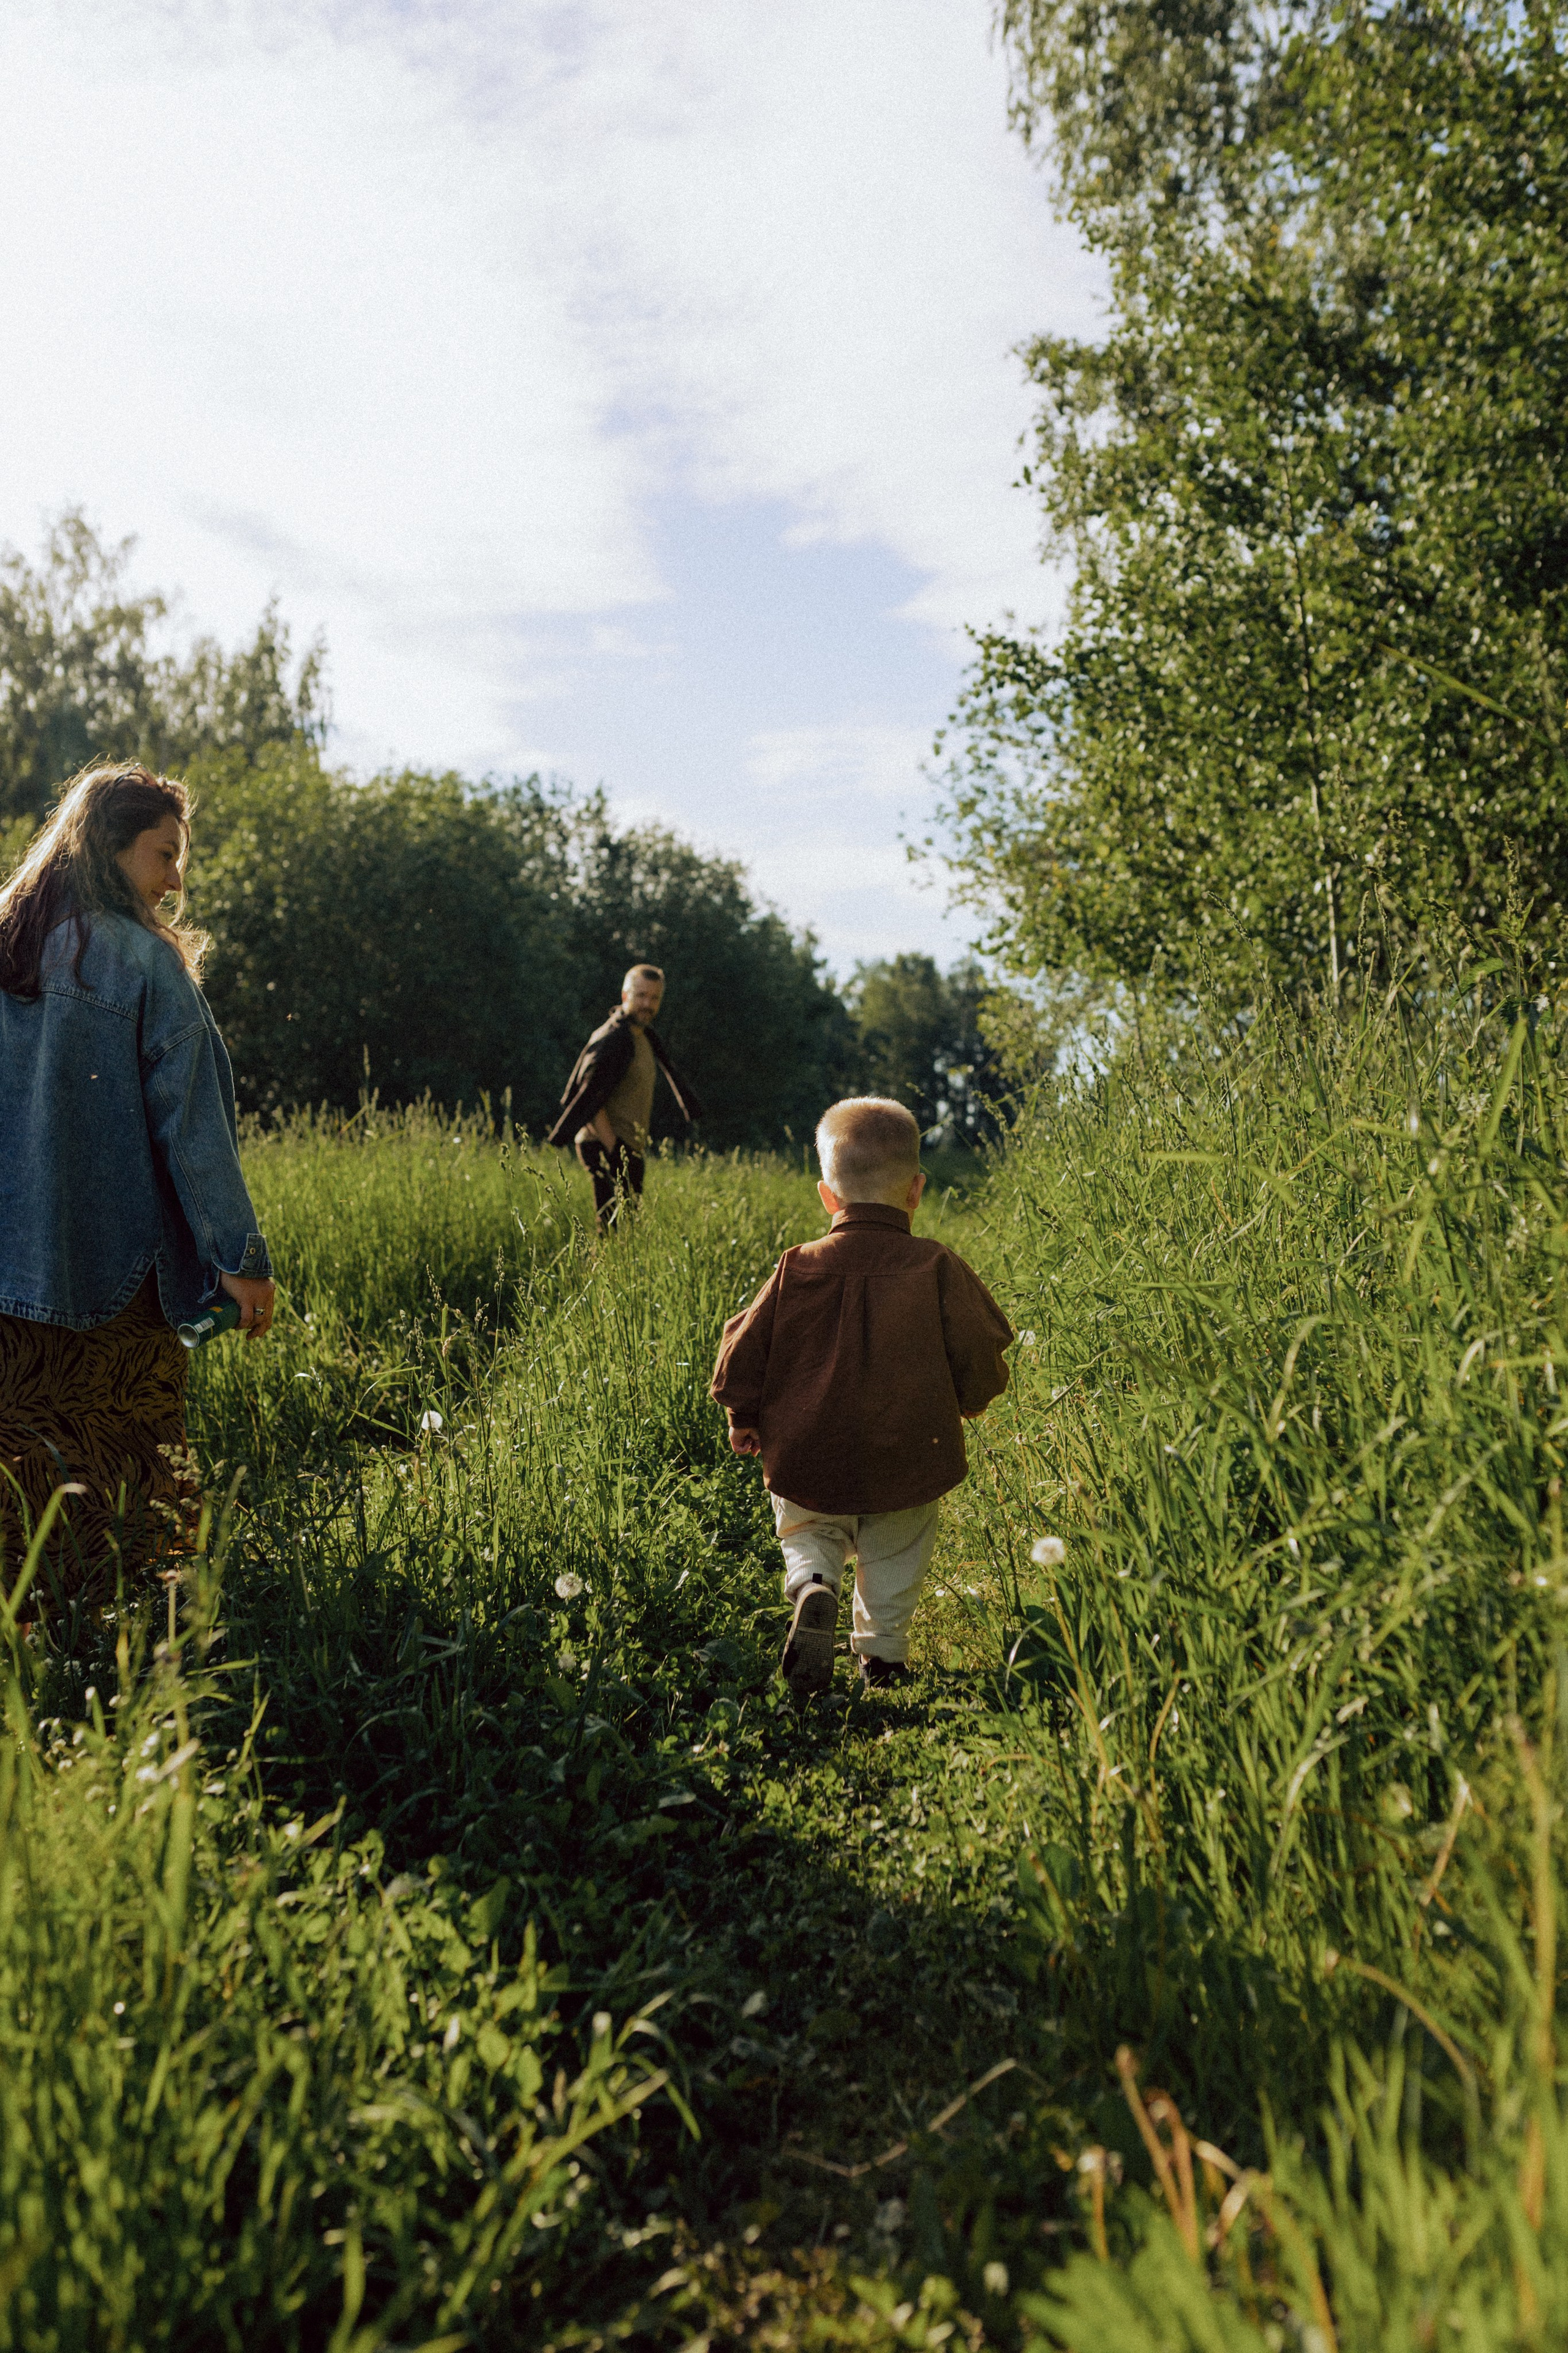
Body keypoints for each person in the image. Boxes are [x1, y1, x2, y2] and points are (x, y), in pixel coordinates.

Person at [0, 761, 275, 1607]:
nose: (176, 880)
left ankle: (30, 1636)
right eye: (164, 854)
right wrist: (241, 1261)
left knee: (16, 1468)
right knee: (131, 1481)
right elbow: (193, 1132)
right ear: (109, 849)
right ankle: (133, 1640)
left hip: (8, 1276)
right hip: (118, 1281)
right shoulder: (145, 966)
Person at [710, 1095, 1013, 1696]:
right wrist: (973, 1397)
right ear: (916, 1190)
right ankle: (882, 1656)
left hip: (809, 1450)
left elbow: (742, 1349)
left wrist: (743, 1414)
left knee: (808, 1529)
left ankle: (814, 1583)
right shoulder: (936, 1265)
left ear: (828, 1196)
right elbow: (980, 1345)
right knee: (896, 1548)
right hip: (908, 1451)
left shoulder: (797, 1265)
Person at [548, 964, 704, 1230]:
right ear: (625, 996)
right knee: (611, 1228)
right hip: (603, 1144)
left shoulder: (643, 1038)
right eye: (641, 995)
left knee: (627, 1228)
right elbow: (590, 1098)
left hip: (626, 1147)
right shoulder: (613, 1038)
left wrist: (627, 1153)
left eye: (654, 998)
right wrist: (615, 1151)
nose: (647, 1004)